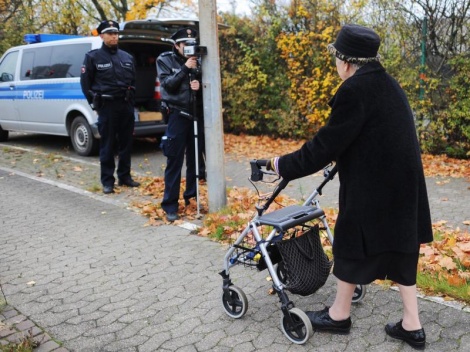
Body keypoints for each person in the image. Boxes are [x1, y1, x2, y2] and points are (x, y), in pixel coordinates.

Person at [267, 24, 433, 350]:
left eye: (335, 60)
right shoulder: (389, 85)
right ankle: (412, 325)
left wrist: (279, 165)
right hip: (404, 186)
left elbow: (322, 147)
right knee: (401, 248)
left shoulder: (354, 90)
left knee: (350, 242)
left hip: (374, 188)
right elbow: (377, 134)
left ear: (344, 62)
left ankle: (339, 315)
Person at [80, 20, 140, 194]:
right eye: (110, 33)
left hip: (125, 105)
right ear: (101, 36)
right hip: (107, 106)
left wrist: (131, 102)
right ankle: (107, 181)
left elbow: (134, 82)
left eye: (116, 33)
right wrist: (94, 105)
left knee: (126, 143)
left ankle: (125, 176)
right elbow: (85, 84)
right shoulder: (92, 57)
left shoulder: (127, 57)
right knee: (107, 144)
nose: (114, 36)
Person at [157, 27, 205, 222]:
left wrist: (199, 86)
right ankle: (170, 204)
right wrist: (186, 68)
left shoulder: (199, 60)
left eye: (191, 43)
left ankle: (191, 198)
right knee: (174, 160)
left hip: (195, 114)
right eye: (185, 44)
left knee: (194, 160)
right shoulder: (165, 60)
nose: (188, 47)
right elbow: (167, 85)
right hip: (177, 115)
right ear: (176, 45)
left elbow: (208, 85)